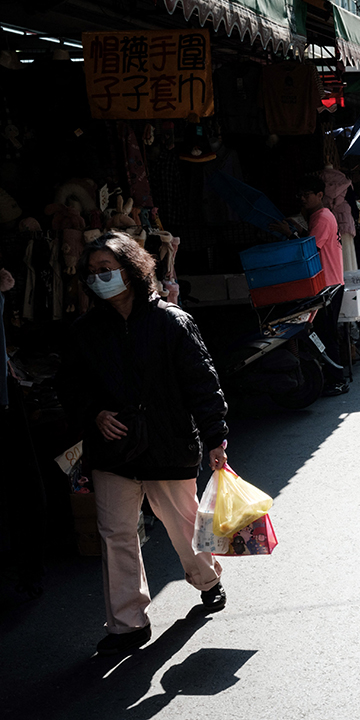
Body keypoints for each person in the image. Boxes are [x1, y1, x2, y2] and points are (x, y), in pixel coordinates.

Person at [56, 232, 231, 655]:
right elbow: (70, 387)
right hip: (112, 451)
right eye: (92, 272)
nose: (99, 278)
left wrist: (215, 438)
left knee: (183, 526)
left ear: (131, 270)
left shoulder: (171, 322)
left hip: (167, 444)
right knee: (116, 534)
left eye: (107, 270)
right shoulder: (84, 332)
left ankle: (207, 581)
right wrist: (94, 414)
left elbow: (202, 384)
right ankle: (127, 623)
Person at [274, 175, 347, 396]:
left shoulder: (323, 216)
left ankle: (337, 380)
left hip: (328, 284)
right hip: (327, 283)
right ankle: (333, 375)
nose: (303, 199)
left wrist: (291, 233)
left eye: (307, 194)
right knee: (325, 332)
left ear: (319, 195)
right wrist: (297, 229)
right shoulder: (318, 216)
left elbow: (311, 247)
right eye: (301, 195)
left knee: (327, 333)